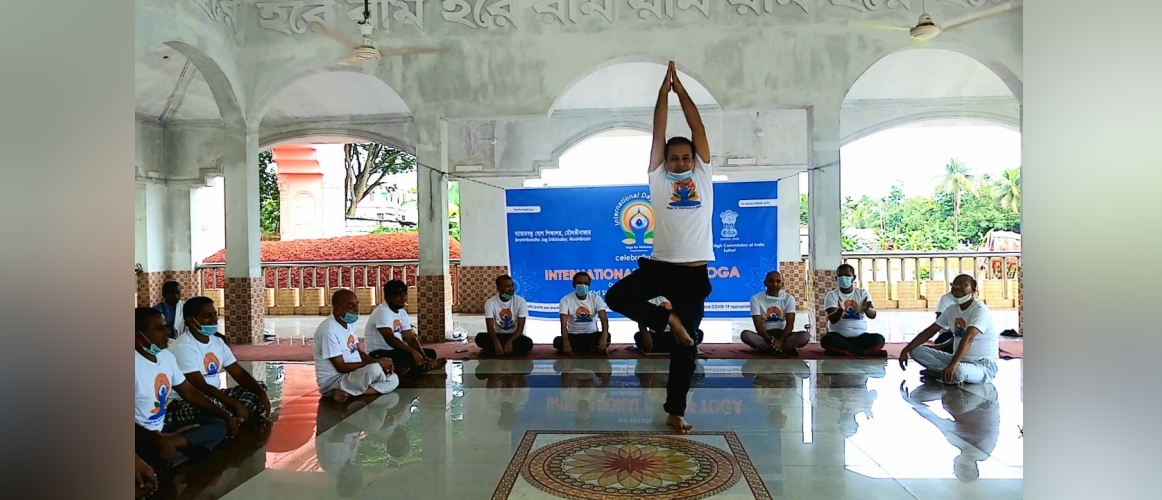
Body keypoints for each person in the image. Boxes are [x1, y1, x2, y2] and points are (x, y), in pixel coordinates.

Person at [603, 61, 712, 434]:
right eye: (674, 157)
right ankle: (669, 320)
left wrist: (682, 91)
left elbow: (697, 128)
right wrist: (662, 96)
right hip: (661, 265)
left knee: (686, 348)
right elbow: (658, 132)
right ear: (665, 162)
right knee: (615, 296)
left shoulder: (702, 175)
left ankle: (675, 410)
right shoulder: (658, 180)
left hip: (694, 274)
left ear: (694, 160)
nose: (681, 161)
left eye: (686, 156)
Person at [134, 307, 235, 474]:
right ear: (138, 335)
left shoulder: (165, 357)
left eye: (166, 326)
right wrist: (155, 439)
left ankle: (169, 448)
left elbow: (189, 392)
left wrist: (224, 414)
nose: (167, 332)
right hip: (140, 436)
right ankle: (168, 452)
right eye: (160, 328)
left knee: (219, 423)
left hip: (162, 429)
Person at [166, 296, 272, 428]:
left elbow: (238, 373)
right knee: (217, 407)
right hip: (186, 401)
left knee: (258, 387)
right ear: (192, 321)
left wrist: (260, 394)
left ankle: (230, 420)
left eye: (215, 314)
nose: (214, 319)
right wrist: (235, 404)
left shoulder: (217, 342)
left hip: (215, 395)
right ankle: (232, 418)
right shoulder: (183, 347)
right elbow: (200, 387)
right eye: (207, 316)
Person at [899, 274, 1000, 385]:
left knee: (959, 371)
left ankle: (945, 373)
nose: (957, 287)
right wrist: (906, 349)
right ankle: (946, 373)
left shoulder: (980, 310)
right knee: (915, 351)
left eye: (963, 284)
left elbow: (969, 338)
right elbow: (930, 331)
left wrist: (953, 365)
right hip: (958, 359)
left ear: (973, 290)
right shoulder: (951, 309)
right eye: (955, 284)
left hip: (983, 365)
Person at [313, 289, 400, 402]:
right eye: (350, 305)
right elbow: (341, 367)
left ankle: (348, 393)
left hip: (352, 375)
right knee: (375, 369)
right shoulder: (328, 330)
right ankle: (333, 390)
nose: (356, 309)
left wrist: (378, 362)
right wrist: (377, 363)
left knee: (394, 379)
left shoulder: (349, 324)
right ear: (337, 309)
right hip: (335, 380)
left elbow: (359, 352)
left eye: (356, 304)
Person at [365, 280, 448, 377]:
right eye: (399, 295)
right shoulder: (382, 312)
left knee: (430, 353)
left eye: (405, 295)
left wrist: (422, 356)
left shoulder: (402, 313)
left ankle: (418, 365)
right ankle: (419, 366)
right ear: (389, 297)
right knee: (408, 357)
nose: (404, 298)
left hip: (395, 351)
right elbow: (390, 339)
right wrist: (412, 352)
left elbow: (410, 338)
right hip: (378, 353)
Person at [820, 264, 887, 357]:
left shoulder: (862, 293)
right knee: (827, 340)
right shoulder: (832, 295)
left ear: (853, 277)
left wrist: (867, 309)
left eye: (847, 276)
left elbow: (873, 315)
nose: (843, 278)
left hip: (859, 336)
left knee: (879, 339)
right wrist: (840, 310)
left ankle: (846, 350)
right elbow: (833, 319)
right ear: (836, 278)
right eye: (840, 276)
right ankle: (863, 352)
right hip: (839, 336)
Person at [740, 270, 809, 356]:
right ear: (765, 283)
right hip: (765, 336)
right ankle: (783, 348)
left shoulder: (789, 298)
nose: (775, 284)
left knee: (805, 336)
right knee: (746, 335)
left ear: (782, 284)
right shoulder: (756, 299)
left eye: (778, 281)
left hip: (784, 335)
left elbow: (790, 325)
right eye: (771, 281)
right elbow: (758, 326)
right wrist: (770, 340)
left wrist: (780, 341)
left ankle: (768, 349)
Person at [554, 272, 611, 355]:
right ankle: (591, 349)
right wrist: (566, 343)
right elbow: (563, 324)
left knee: (607, 337)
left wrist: (604, 336)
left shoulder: (596, 298)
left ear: (589, 285)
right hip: (573, 336)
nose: (582, 286)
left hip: (592, 335)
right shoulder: (565, 300)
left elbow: (604, 319)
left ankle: (578, 350)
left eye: (585, 283)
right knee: (557, 341)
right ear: (574, 284)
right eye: (579, 283)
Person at [477, 275, 534, 356]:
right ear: (499, 289)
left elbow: (520, 328)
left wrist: (510, 342)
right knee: (479, 338)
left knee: (527, 343)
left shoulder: (521, 302)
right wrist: (496, 342)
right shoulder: (490, 303)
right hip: (498, 336)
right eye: (507, 286)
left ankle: (498, 350)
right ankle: (505, 349)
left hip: (514, 337)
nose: (511, 289)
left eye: (512, 285)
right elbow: (490, 327)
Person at [633, 296, 705, 354]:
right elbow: (641, 319)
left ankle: (666, 348)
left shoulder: (680, 297)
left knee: (698, 334)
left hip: (676, 335)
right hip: (655, 335)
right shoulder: (651, 297)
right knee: (638, 336)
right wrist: (646, 334)